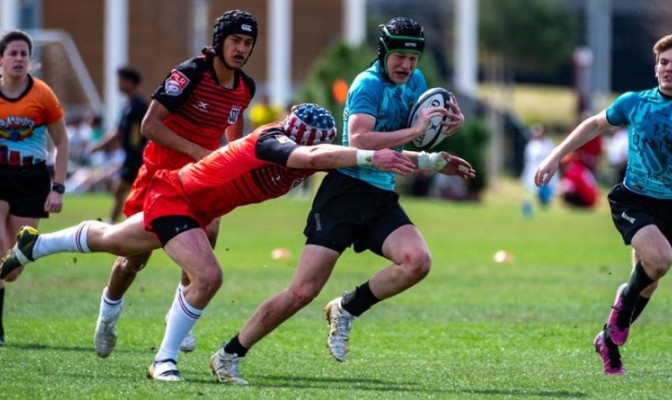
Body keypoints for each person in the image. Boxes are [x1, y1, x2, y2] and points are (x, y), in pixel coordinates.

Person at [0, 103, 416, 381]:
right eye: (311, 143)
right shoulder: (273, 142)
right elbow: (308, 159)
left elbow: (322, 158)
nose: (315, 152)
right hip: (176, 198)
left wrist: (430, 160)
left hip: (190, 205)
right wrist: (363, 155)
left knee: (113, 240)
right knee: (208, 276)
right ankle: (164, 360)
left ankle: (35, 245)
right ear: (294, 135)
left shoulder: (306, 154)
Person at [209, 17, 473, 385]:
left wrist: (439, 142)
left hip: (381, 193)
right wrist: (416, 132)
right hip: (345, 192)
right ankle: (229, 354)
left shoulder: (416, 83)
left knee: (417, 261)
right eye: (399, 56)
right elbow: (360, 140)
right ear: (384, 53)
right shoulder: (367, 84)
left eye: (413, 59)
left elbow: (412, 139)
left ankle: (347, 308)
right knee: (302, 291)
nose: (406, 66)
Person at [93, 9, 258, 359]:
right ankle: (109, 313)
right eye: (235, 40)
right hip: (158, 176)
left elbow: (234, 132)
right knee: (133, 259)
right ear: (219, 42)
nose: (241, 48)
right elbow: (149, 126)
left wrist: (232, 159)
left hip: (201, 178)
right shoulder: (189, 74)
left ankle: (177, 311)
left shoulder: (245, 86)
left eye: (248, 42)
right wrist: (198, 151)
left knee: (209, 234)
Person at [534, 33, 672, 375]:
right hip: (634, 199)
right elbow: (594, 124)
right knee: (660, 261)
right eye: (664, 63)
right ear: (655, 67)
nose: (670, 69)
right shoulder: (636, 102)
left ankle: (608, 343)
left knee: (647, 280)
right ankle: (617, 322)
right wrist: (556, 156)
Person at [0, 29, 70, 346]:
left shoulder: (42, 95)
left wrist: (58, 188)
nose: (18, 59)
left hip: (31, 180)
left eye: (23, 54)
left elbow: (63, 141)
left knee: (11, 267)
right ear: (1, 59)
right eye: (12, 53)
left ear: (31, 60)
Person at [91, 66, 148, 223]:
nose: (118, 84)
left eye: (121, 80)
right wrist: (101, 146)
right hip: (131, 155)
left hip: (137, 156)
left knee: (124, 189)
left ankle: (116, 224)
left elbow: (142, 131)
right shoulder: (128, 105)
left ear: (130, 82)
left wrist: (139, 152)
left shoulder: (138, 105)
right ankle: (119, 223)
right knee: (125, 190)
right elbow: (119, 131)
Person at [520, 123, 556, 218]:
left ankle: (545, 209)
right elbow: (528, 160)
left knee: (546, 194)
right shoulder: (531, 144)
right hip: (531, 171)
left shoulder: (548, 143)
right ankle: (527, 210)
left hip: (545, 172)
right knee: (529, 191)